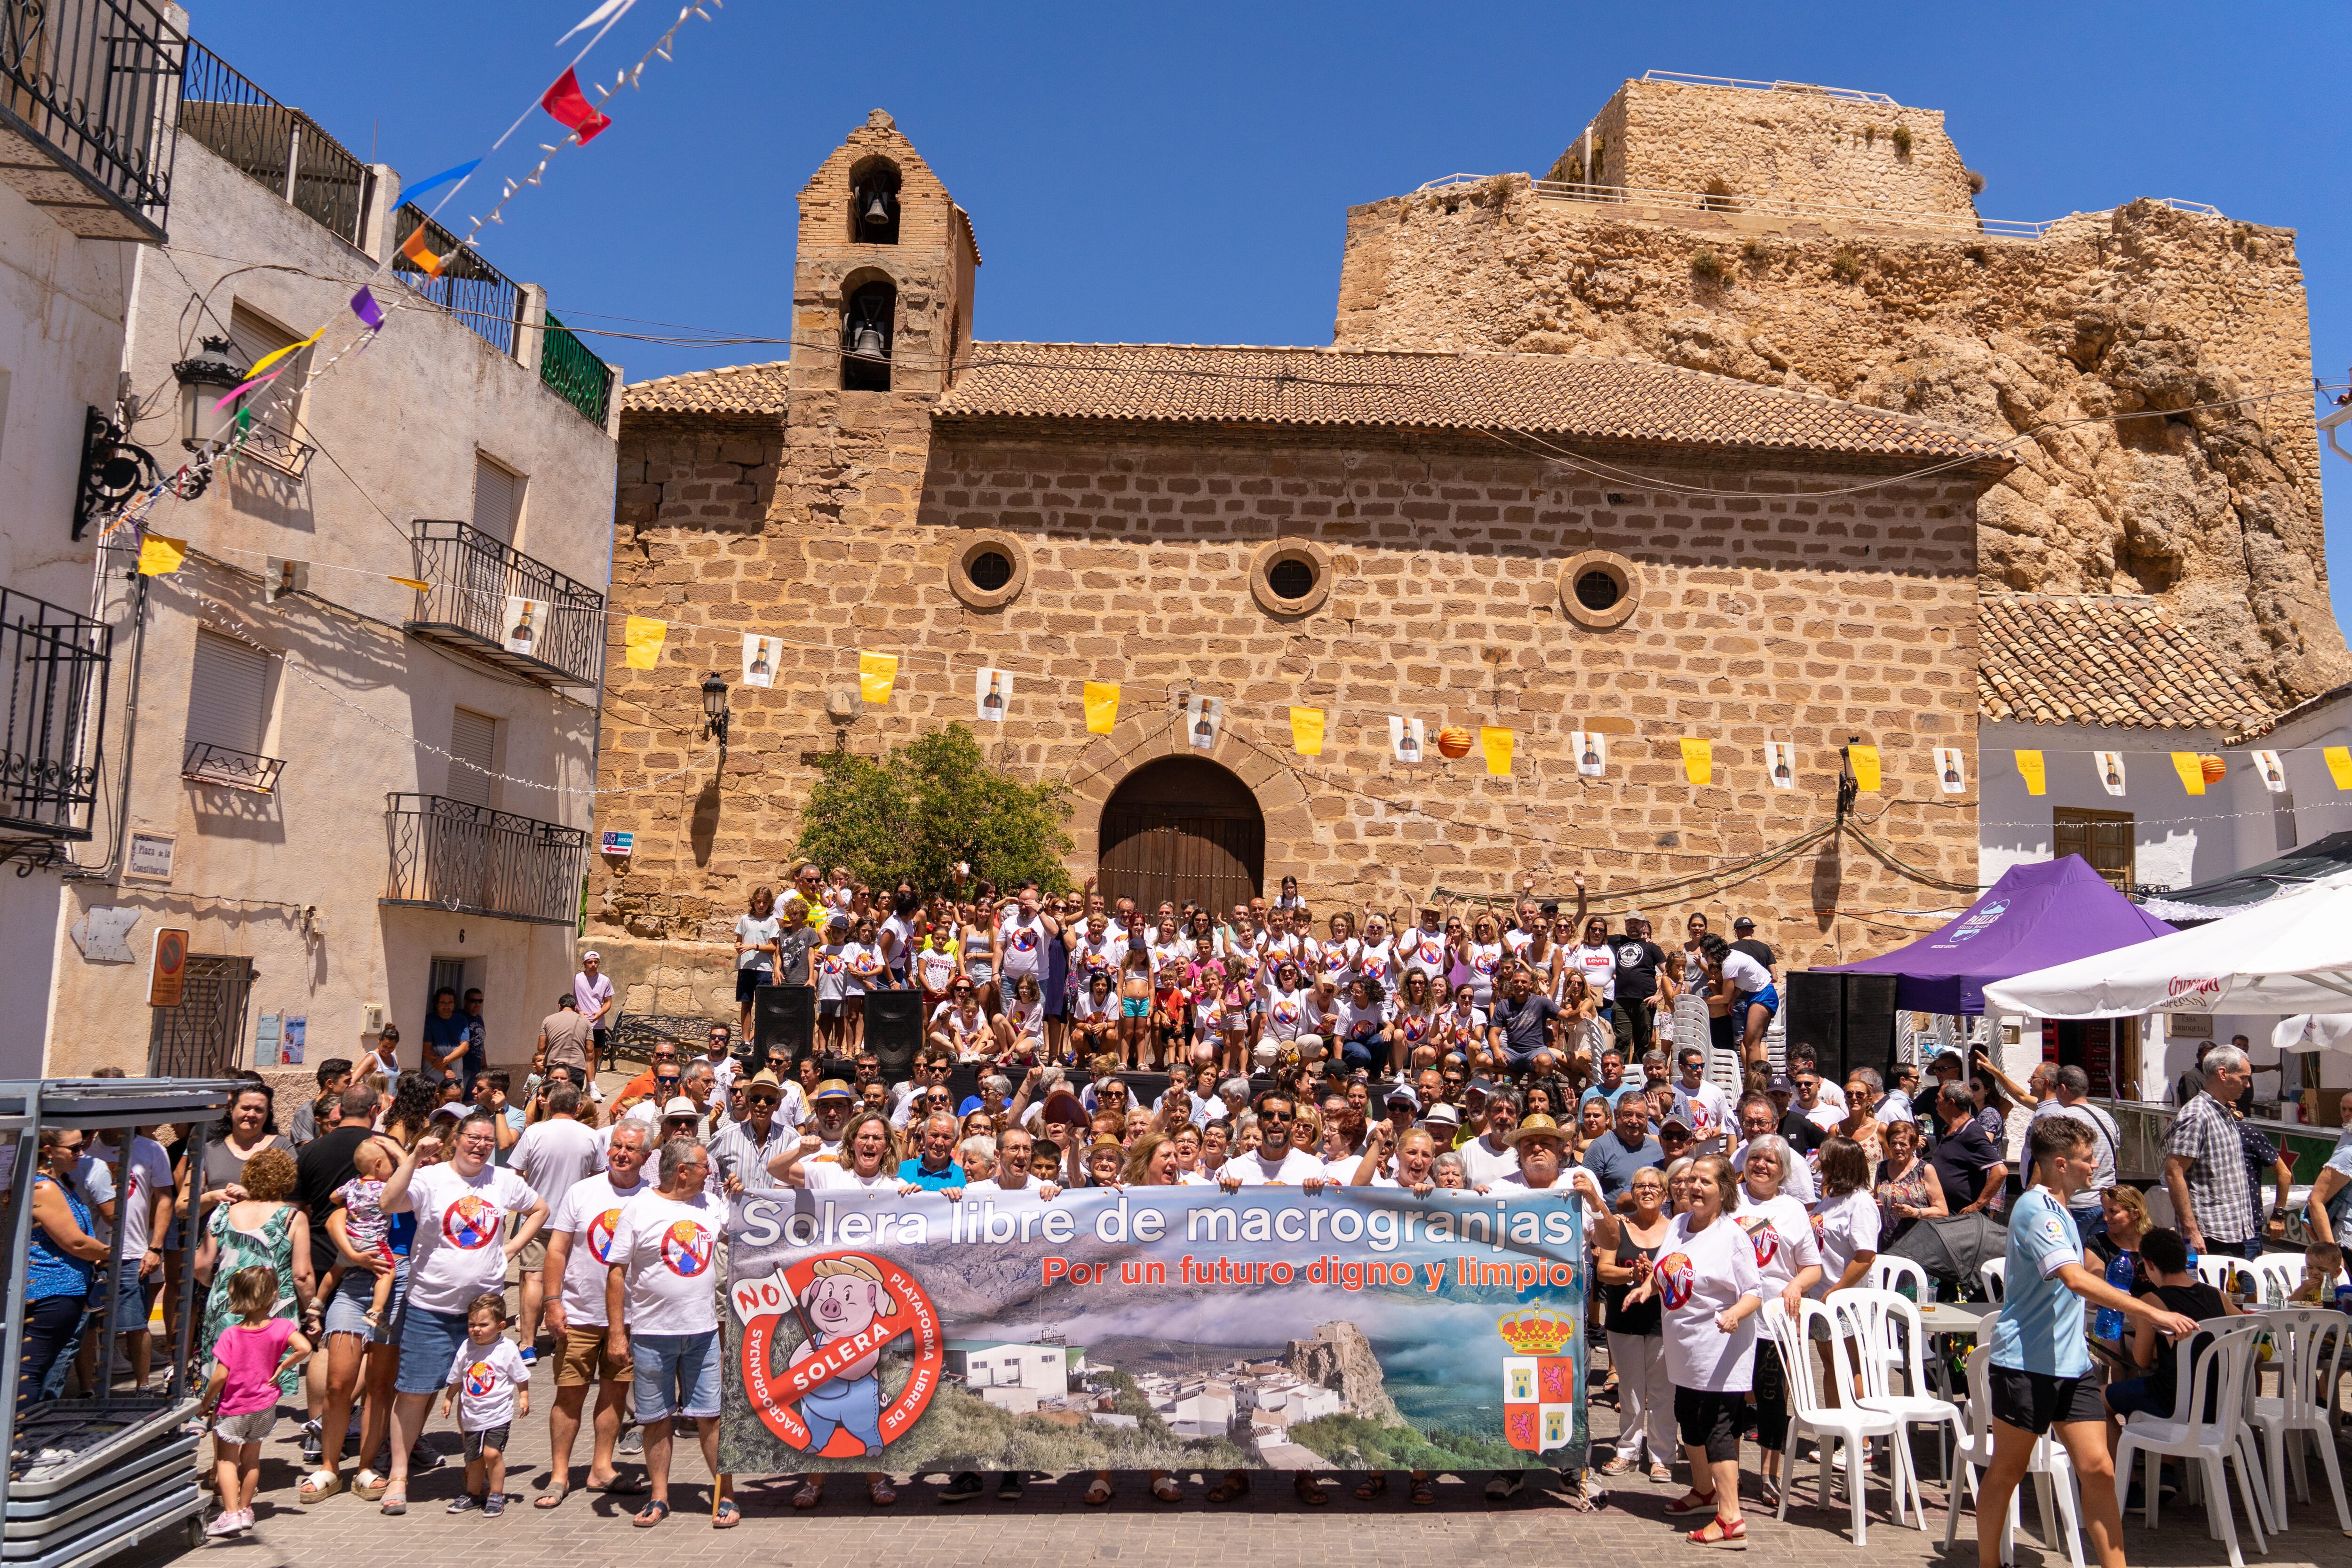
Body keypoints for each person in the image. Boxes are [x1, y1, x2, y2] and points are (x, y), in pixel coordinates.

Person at [1976, 1118, 2198, 1568]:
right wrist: (2152, 1311)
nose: (2095, 1164)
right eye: (2087, 1157)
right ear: (2061, 1164)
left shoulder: (2064, 1211)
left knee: (2099, 1469)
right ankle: (1988, 1563)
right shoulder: (2037, 1210)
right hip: (2026, 1363)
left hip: (2071, 1364)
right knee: (2007, 1472)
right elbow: (2074, 1279)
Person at [376, 1112, 547, 1516]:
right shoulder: (432, 1177)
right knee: (415, 1391)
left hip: (482, 1314)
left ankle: (474, 1480)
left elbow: (540, 1208)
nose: (481, 1145)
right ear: (457, 1138)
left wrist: (511, 1248)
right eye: (473, 1137)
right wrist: (414, 1156)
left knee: (478, 1394)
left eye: (488, 1140)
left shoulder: (502, 1180)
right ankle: (399, 1476)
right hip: (430, 1306)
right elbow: (388, 1202)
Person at [1620, 1153, 1762, 1547]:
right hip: (1684, 1345)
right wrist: (1646, 1289)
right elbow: (1667, 1269)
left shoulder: (1731, 1236)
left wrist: (1734, 1314)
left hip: (1721, 1348)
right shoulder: (1680, 1224)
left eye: (1705, 1182)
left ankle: (1732, 1519)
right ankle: (1704, 1492)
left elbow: (1754, 1292)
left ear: (1724, 1191)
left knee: (1717, 1427)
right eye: (1690, 1180)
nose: (1694, 1187)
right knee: (1688, 1417)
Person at [605, 1138, 733, 1528]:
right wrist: (616, 1333)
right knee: (656, 1417)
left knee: (711, 1416)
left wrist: (746, 1197)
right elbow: (616, 1271)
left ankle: (725, 1495)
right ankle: (659, 1497)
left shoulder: (711, 1205)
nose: (709, 1172)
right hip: (651, 1333)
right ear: (682, 1170)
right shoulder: (639, 1208)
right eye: (703, 1166)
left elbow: (754, 1228)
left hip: (704, 1332)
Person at [539, 1121, 653, 1507]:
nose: (622, 1153)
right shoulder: (582, 1192)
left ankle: (601, 1468)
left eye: (631, 1149)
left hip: (629, 1317)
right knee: (569, 1392)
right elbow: (557, 1250)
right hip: (579, 1312)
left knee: (615, 1392)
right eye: (617, 1146)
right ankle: (558, 1475)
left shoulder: (652, 1198)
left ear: (646, 1157)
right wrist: (553, 1302)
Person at [194, 1146, 314, 1428]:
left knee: (225, 1379)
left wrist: (218, 1286)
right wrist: (312, 1312)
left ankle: (222, 1452)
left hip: (226, 1306)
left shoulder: (223, 1212)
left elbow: (201, 1266)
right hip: (271, 1313)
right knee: (258, 1385)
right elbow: (303, 1276)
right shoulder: (292, 1218)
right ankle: (245, 1448)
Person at [1731, 1132, 1822, 1504]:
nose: (1761, 1165)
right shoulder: (1729, 1200)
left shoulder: (1793, 1209)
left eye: (1771, 1160)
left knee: (1771, 1399)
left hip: (1775, 1320)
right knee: (1732, 1400)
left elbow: (1812, 1267)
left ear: (1783, 1169)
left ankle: (1771, 1474)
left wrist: (1797, 1286)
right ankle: (1729, 1472)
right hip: (1733, 1317)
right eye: (1755, 1157)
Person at [199, 1265, 309, 1537]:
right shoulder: (282, 1327)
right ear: (274, 1295)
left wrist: (205, 1403)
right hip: (265, 1406)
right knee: (252, 1459)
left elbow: (220, 1377)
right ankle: (247, 1510)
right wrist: (284, 1367)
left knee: (226, 1461)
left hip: (234, 1408)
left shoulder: (232, 1335)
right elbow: (305, 1347)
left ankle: (231, 1513)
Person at [1593, 1164, 1675, 1483]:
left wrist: (1656, 1274)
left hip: (1663, 1321)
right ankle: (1627, 1449)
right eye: (1641, 1185)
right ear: (1632, 1191)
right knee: (1628, 1391)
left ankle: (1662, 1455)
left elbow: (1684, 1270)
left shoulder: (1677, 1229)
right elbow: (1603, 1270)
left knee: (1662, 1392)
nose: (1648, 1191)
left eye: (1655, 1186)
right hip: (1623, 1320)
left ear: (1666, 1194)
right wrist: (1633, 1275)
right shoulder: (1618, 1226)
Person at [510, 1082, 603, 1356]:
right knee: (564, 1282)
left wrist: (525, 1206)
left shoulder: (534, 1133)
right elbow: (598, 1178)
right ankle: (560, 1338)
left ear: (548, 1105)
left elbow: (515, 1173)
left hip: (537, 1218)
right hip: (574, 1221)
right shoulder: (591, 1136)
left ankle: (528, 1343)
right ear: (578, 1107)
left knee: (534, 1280)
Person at [19, 1128, 106, 1410]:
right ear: (49, 1152)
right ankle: (22, 1444)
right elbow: (75, 1243)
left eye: (82, 1146)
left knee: (39, 1370)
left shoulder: (59, 1184)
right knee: (30, 1374)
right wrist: (114, 1254)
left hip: (63, 1291)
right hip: (51, 1292)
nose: (80, 1153)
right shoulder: (44, 1187)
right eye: (74, 1148)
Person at [2162, 1044, 2258, 1261]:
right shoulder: (2197, 1114)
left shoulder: (2223, 1112)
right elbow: (2174, 1173)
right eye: (2243, 1077)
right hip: (2210, 1236)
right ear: (2223, 1074)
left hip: (2233, 1231)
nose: (2247, 1084)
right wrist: (2191, 1231)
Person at [441, 1291, 531, 1515]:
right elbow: (458, 1376)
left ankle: (496, 1494)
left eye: (483, 1324)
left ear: (500, 1326)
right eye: (472, 1324)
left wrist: (524, 1397)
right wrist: (449, 1398)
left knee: (492, 1454)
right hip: (472, 1415)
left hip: (498, 1414)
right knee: (473, 1459)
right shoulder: (466, 1347)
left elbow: (521, 1376)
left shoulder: (506, 1348)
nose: (476, 1330)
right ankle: (473, 1494)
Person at [1928, 1082, 2008, 1217]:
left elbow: (2000, 1171)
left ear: (1951, 1103)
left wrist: (1978, 1205)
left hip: (1964, 1221)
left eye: (1939, 1097)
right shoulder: (1948, 1129)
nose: (1936, 1101)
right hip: (1947, 1217)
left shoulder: (1971, 1132)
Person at [1875, 1115, 1947, 1247]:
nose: (1897, 1148)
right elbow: (1877, 1199)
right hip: (1887, 1243)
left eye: (1903, 1144)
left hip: (1918, 1244)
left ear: (1914, 1146)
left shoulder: (1925, 1170)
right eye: (1893, 1144)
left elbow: (1942, 1211)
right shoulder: (1881, 1168)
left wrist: (1915, 1213)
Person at [1582, 1092, 1663, 1203]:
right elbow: (1586, 1193)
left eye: (1640, 1116)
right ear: (1616, 1114)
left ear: (1647, 1118)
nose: (1634, 1121)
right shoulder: (1600, 1148)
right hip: (1614, 1219)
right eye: (1628, 1115)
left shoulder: (1657, 1149)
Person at [735, 886, 782, 1043]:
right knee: (746, 1005)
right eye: (758, 902)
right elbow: (738, 942)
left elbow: (772, 947)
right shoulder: (745, 920)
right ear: (753, 902)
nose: (761, 905)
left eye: (765, 903)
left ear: (770, 905)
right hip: (746, 967)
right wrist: (739, 947)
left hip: (764, 970)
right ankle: (746, 1040)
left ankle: (759, 1038)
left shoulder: (771, 922)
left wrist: (753, 946)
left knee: (764, 1007)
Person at [291, 1059, 353, 1146]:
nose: (350, 1085)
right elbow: (307, 1147)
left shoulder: (347, 1107)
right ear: (330, 1083)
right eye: (347, 1081)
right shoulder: (306, 1112)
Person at [575, 952, 616, 1081]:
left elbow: (608, 1002)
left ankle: (591, 1085)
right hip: (580, 1022)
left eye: (596, 962)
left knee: (596, 1054)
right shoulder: (576, 979)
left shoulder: (605, 980)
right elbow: (571, 999)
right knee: (582, 1054)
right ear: (584, 964)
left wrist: (599, 1014)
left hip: (598, 1023)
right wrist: (579, 1012)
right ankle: (579, 1082)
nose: (593, 965)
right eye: (590, 962)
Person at [421, 987, 469, 1087]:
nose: (447, 1006)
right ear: (436, 1004)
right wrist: (446, 1069)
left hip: (456, 1075)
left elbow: (465, 1047)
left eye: (450, 1003)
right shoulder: (430, 1020)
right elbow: (427, 1051)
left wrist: (446, 1060)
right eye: (443, 1003)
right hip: (433, 1075)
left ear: (454, 1004)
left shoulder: (461, 1020)